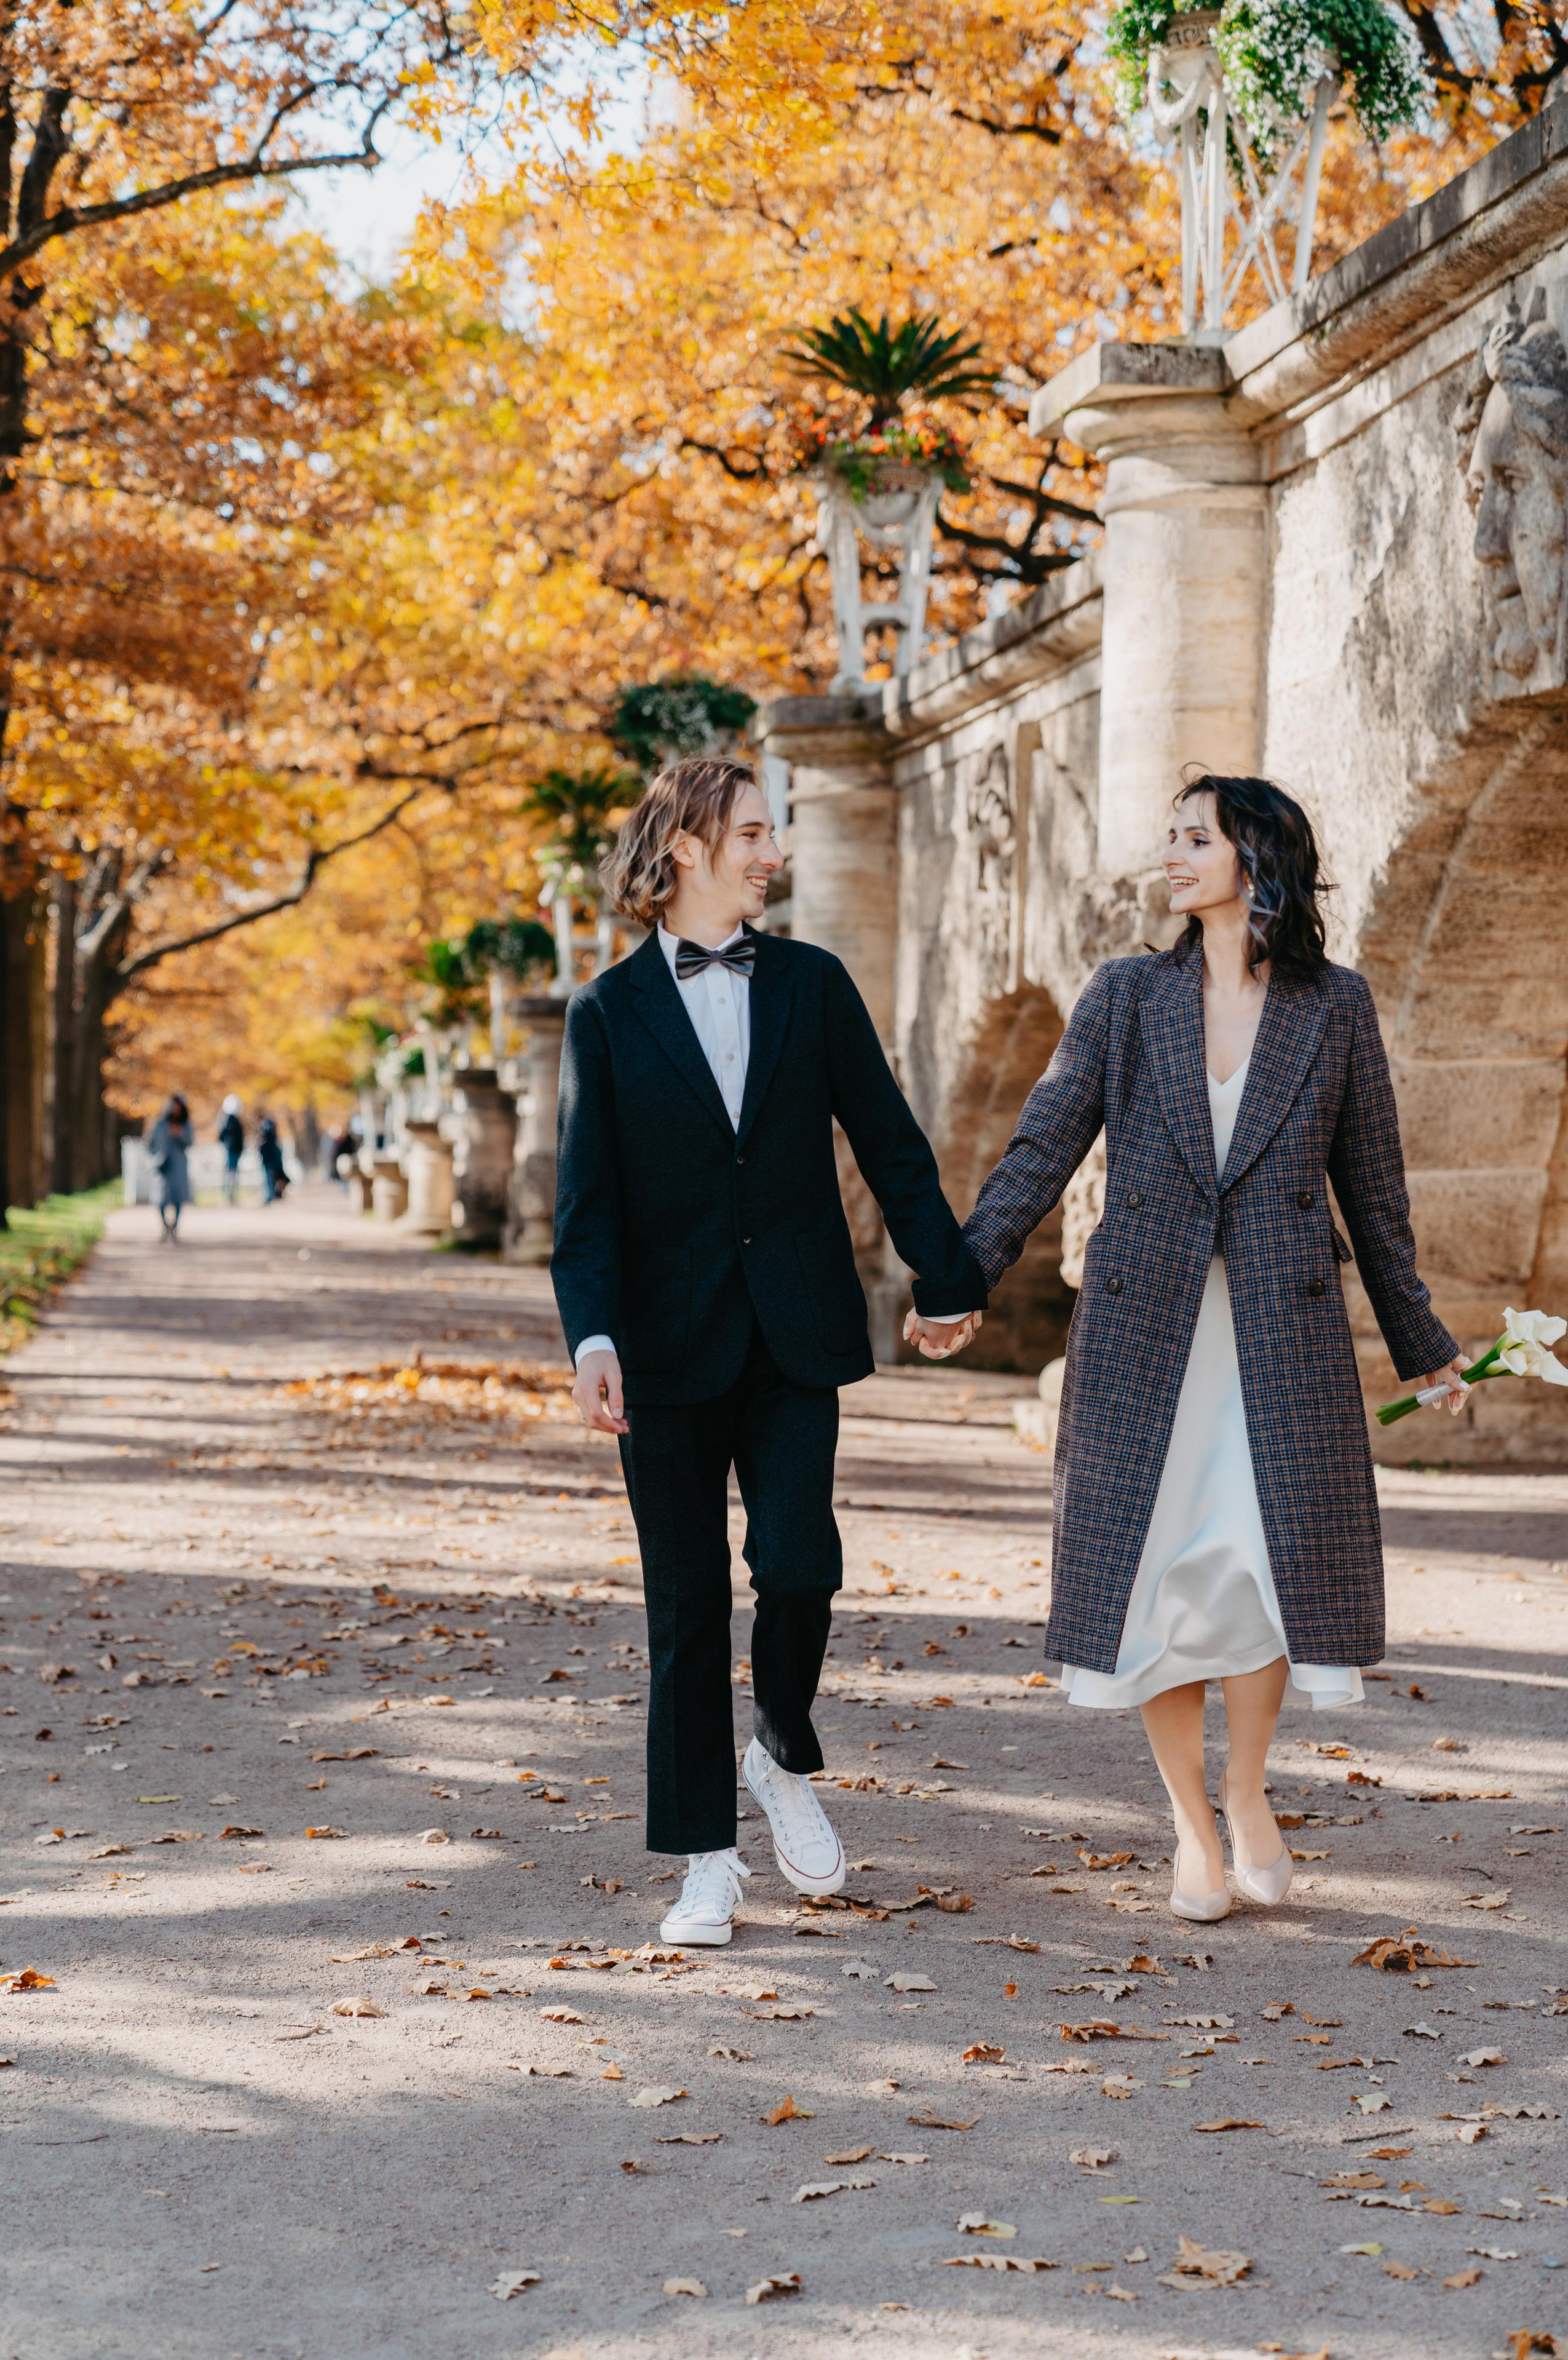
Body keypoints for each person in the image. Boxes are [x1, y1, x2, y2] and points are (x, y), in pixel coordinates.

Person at [956, 774, 1467, 1922]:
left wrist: (1425, 1344)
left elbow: (1374, 1198)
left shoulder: (1335, 1008)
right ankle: (1191, 1822)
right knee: (1158, 1575)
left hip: (1282, 1333)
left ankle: (1248, 1792)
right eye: (1171, 834)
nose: (1173, 854)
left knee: (1264, 1569)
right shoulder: (1126, 994)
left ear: (1256, 857)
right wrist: (965, 1276)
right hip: (1146, 1332)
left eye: (1197, 836)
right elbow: (1043, 1143)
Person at [552, 756, 986, 1947]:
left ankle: (781, 1747)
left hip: (795, 1334)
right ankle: (703, 1859)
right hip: (660, 1353)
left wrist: (948, 1277)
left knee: (800, 1566)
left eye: (771, 831)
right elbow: (583, 1208)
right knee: (685, 1603)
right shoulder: (604, 1012)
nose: (771, 852)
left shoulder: (812, 983)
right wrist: (589, 1336)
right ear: (685, 846)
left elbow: (890, 1141)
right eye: (751, 832)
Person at [147, 1094, 194, 1241]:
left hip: (179, 1165)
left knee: (178, 1198)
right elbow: (150, 1144)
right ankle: (165, 1227)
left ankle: (175, 1228)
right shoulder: (160, 1124)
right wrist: (156, 1156)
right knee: (161, 1198)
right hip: (163, 1166)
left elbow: (190, 1142)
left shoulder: (185, 1125)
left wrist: (179, 1135)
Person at [217, 1095, 245, 1204]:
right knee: (231, 1174)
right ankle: (229, 1196)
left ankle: (231, 1196)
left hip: (234, 1150)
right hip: (232, 1151)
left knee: (232, 1174)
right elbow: (224, 1136)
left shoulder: (232, 1120)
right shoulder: (230, 1121)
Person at [256, 1114, 287, 1203]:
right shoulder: (270, 1128)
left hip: (269, 1158)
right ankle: (274, 1195)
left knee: (270, 1176)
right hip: (272, 1157)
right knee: (274, 1176)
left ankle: (271, 1196)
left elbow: (265, 1142)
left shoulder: (265, 1128)